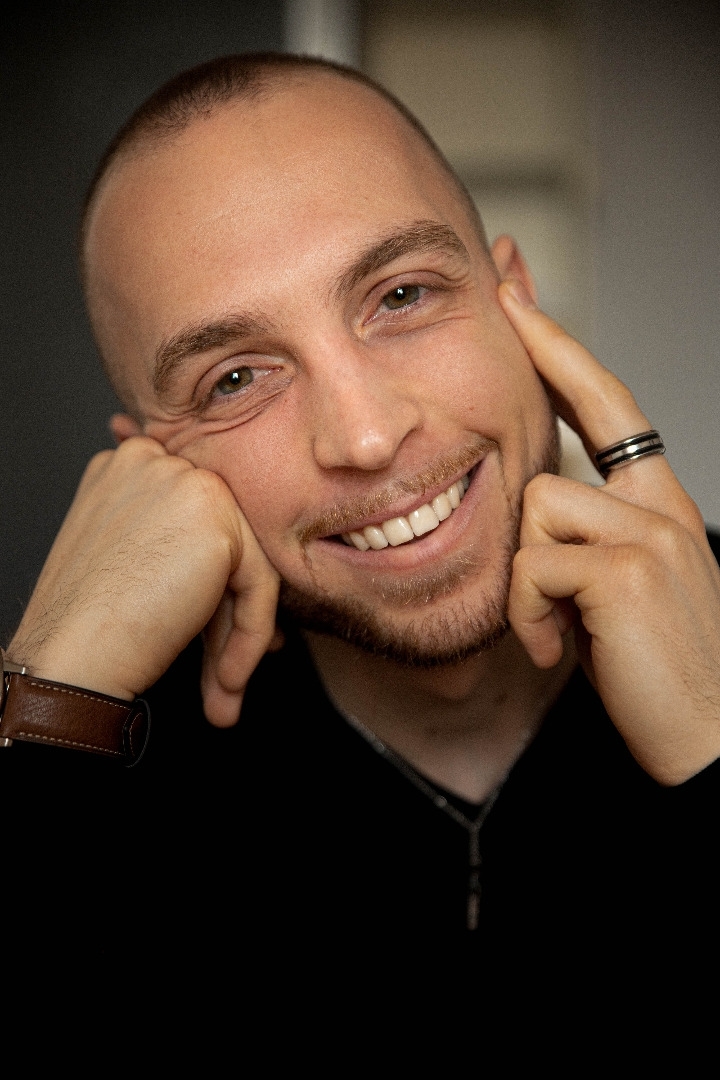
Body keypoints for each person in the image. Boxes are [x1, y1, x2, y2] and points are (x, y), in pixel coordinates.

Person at [1, 54, 719, 981]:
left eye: (402, 295)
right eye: (235, 379)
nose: (368, 436)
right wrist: (50, 702)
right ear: (150, 469)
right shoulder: (91, 763)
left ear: (516, 296)